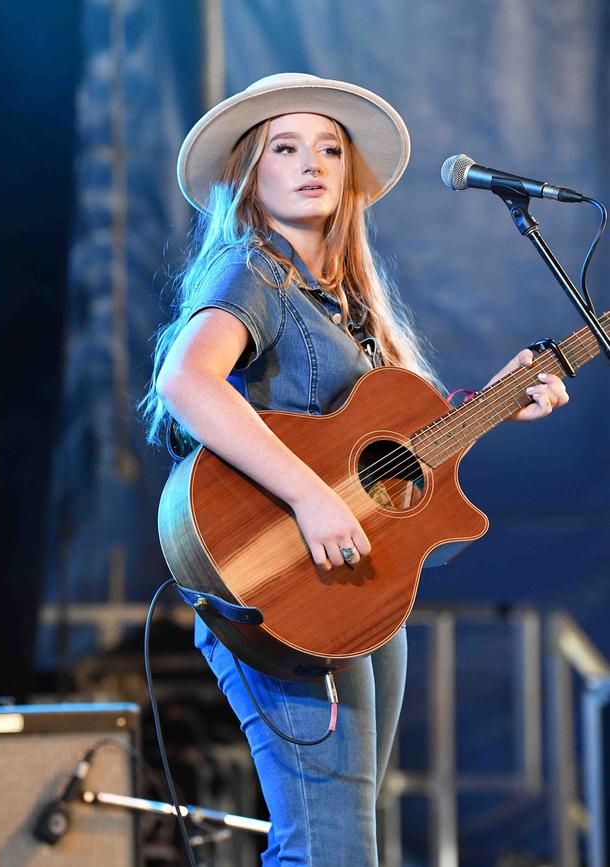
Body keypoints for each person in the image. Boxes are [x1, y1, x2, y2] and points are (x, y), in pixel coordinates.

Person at [142, 73, 569, 866]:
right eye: (286, 146)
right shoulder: (253, 270)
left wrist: (499, 400)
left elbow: (389, 453)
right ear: (249, 171)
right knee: (329, 846)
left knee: (347, 841)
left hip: (359, 591)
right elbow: (185, 381)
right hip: (280, 584)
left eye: (330, 148)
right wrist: (310, 499)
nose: (313, 162)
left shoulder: (348, 310)